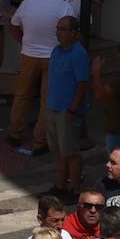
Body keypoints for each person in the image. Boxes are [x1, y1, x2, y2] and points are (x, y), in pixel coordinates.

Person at [7, 0, 70, 153]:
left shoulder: (28, 3)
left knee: (22, 95)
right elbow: (69, 33)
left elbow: (13, 25)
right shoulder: (64, 6)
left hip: (28, 54)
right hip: (53, 57)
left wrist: (23, 42)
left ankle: (14, 133)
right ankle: (40, 141)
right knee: (47, 101)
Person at [44, 16, 89, 198]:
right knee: (60, 151)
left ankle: (75, 188)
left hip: (67, 111)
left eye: (63, 29)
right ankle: (60, 185)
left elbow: (82, 84)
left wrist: (72, 109)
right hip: (52, 108)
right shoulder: (56, 51)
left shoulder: (78, 54)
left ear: (73, 33)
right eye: (58, 28)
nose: (58, 32)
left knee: (71, 152)